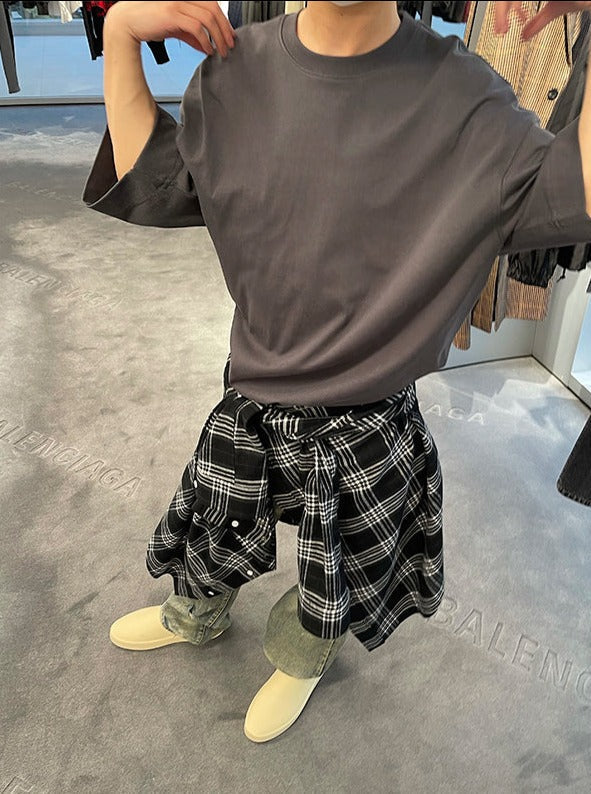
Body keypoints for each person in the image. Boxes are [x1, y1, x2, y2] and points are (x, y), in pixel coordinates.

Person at [82, 0, 591, 743]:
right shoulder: (232, 71)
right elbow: (155, 177)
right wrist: (120, 31)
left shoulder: (466, 98)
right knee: (213, 523)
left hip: (368, 416)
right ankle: (194, 613)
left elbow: (575, 188)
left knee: (334, 574)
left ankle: (300, 659)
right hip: (255, 389)